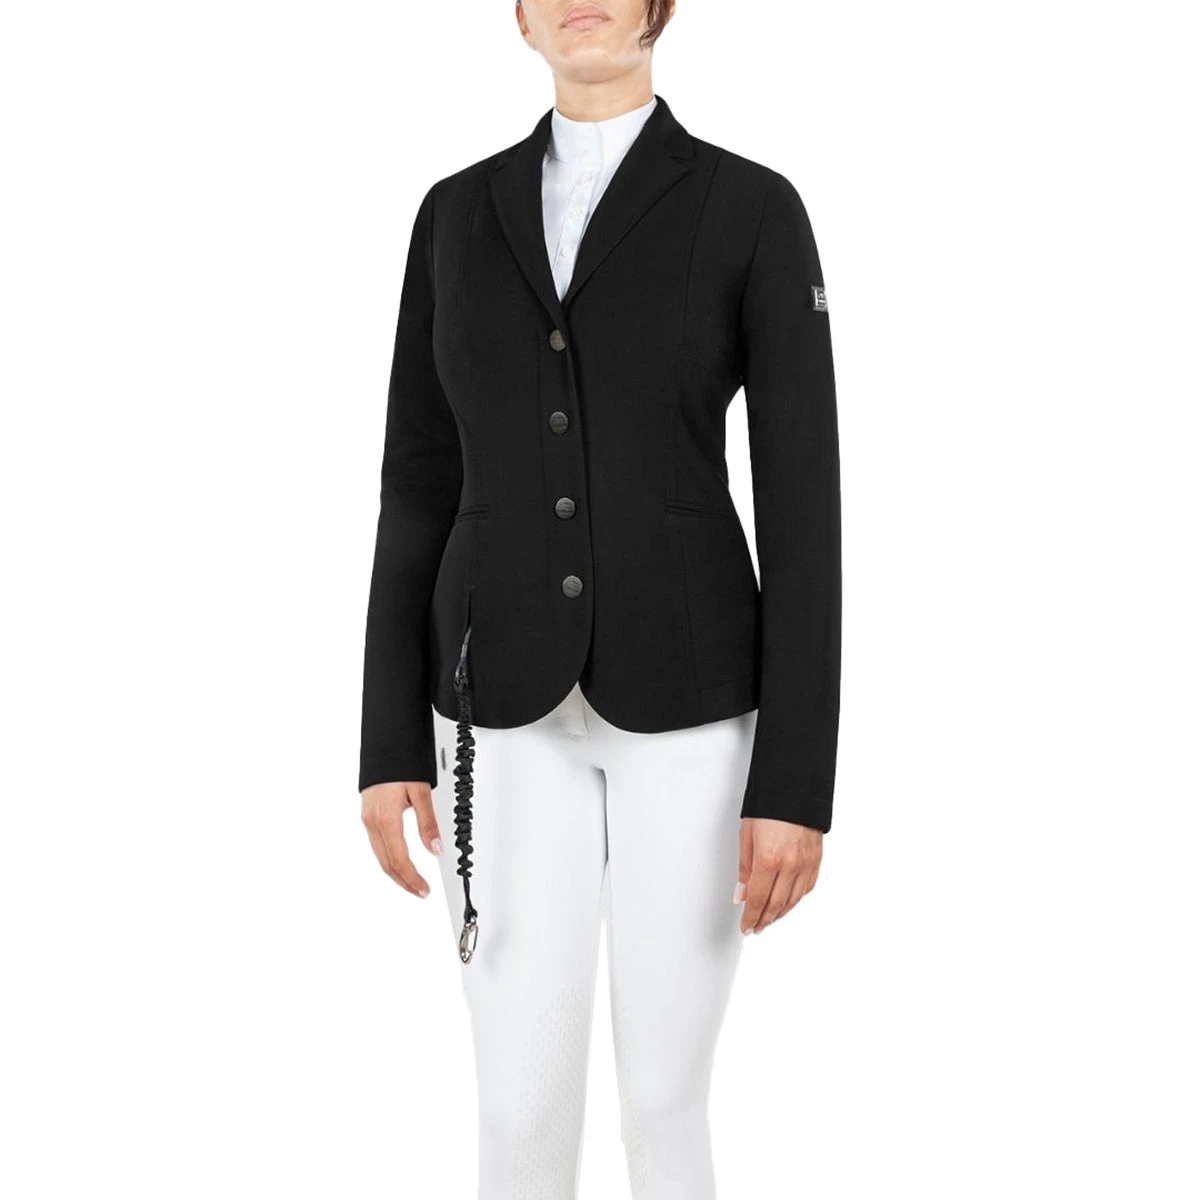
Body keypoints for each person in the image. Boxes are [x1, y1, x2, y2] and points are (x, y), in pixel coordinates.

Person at [358, 1, 841, 1195]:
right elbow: (416, 480)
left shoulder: (750, 206)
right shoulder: (454, 215)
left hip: (694, 704)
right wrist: (384, 741)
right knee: (517, 1106)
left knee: (665, 1105)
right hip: (494, 702)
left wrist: (795, 784)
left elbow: (803, 501)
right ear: (520, 17)